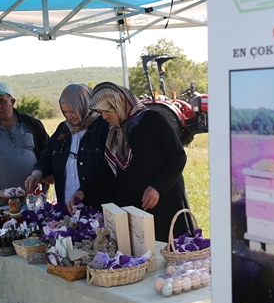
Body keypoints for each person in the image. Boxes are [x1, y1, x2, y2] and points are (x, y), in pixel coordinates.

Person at [89, 81, 192, 241]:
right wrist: (84, 191)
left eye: (107, 110)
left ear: (120, 103)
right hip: (134, 207)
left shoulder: (153, 120)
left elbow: (178, 157)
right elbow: (108, 170)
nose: (104, 117)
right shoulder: (114, 131)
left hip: (163, 203)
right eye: (100, 112)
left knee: (166, 253)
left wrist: (157, 187)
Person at [24, 84, 114, 213]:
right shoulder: (63, 129)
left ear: (85, 105)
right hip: (66, 206)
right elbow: (48, 154)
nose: (68, 116)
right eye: (65, 112)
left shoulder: (104, 127)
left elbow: (108, 170)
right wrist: (38, 172)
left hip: (96, 207)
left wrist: (84, 191)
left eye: (72, 111)